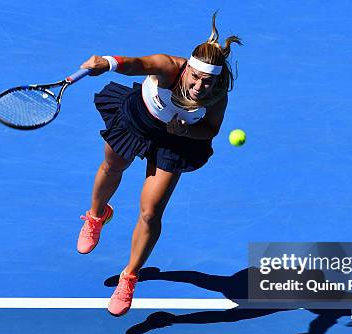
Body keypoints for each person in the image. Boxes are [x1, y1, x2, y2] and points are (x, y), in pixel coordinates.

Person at [77, 13, 242, 316]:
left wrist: (186, 131)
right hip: (138, 120)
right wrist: (107, 62)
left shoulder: (216, 96)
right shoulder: (168, 67)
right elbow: (136, 64)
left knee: (151, 211)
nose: (200, 86)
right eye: (196, 78)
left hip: (176, 141)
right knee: (112, 167)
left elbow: (210, 130)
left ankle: (129, 276)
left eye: (208, 81)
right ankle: (96, 216)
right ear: (188, 68)